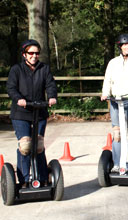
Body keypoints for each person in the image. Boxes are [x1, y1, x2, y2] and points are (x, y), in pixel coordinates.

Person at [6, 39, 57, 187]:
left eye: (36, 53)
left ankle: (42, 178)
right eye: (31, 53)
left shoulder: (44, 68)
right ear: (24, 54)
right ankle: (24, 180)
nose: (34, 56)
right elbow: (11, 88)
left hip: (39, 112)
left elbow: (50, 84)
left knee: (38, 145)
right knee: (26, 146)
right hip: (21, 113)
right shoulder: (17, 70)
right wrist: (19, 99)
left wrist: (52, 96)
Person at [101, 33, 128, 175]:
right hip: (115, 102)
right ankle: (117, 163)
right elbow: (107, 80)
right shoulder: (113, 63)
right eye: (124, 45)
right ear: (120, 46)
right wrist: (105, 93)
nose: (127, 47)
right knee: (117, 134)